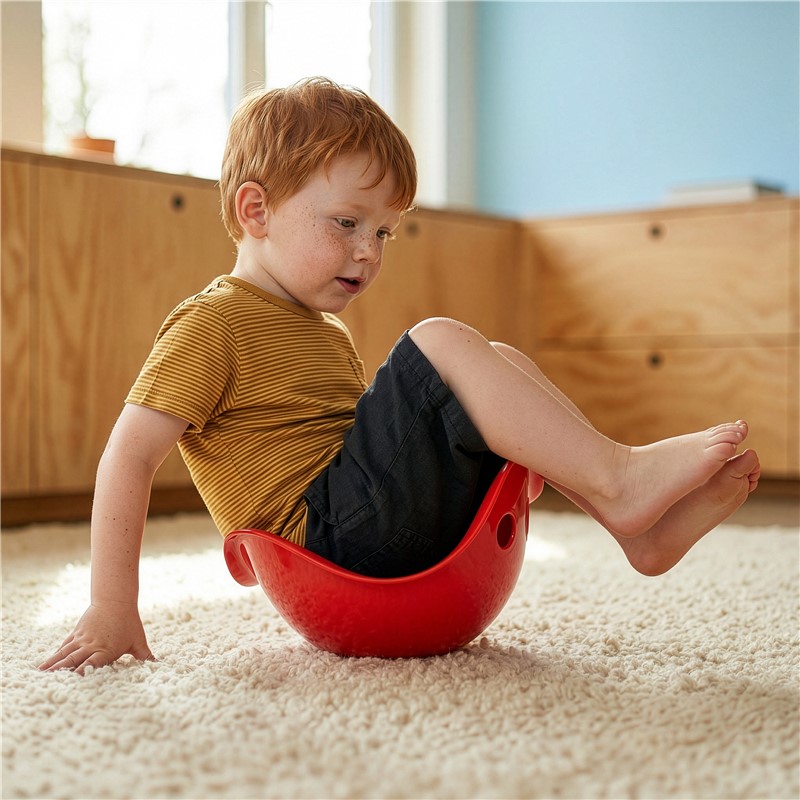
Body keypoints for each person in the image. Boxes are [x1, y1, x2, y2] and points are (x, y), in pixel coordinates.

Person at [39, 77, 760, 674]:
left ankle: (632, 527)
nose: (370, 251)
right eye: (347, 223)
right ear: (255, 210)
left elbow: (381, 452)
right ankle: (620, 476)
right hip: (329, 543)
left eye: (383, 231)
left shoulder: (324, 331)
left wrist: (495, 452)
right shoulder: (213, 324)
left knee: (499, 358)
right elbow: (128, 455)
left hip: (372, 524)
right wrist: (111, 606)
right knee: (438, 340)